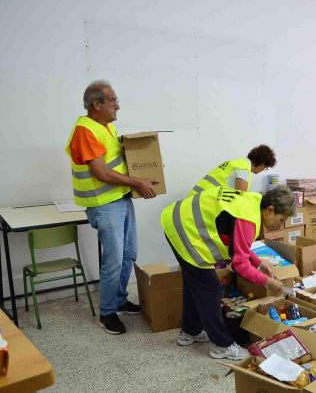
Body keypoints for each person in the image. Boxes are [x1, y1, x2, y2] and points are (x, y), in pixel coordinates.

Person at [65, 80, 158, 335]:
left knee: (129, 253)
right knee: (114, 260)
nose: (118, 106)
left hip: (121, 199)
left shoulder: (105, 128)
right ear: (97, 104)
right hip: (103, 204)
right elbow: (101, 173)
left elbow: (119, 163)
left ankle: (118, 299)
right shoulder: (86, 130)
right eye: (113, 100)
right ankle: (107, 313)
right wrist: (138, 180)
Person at [160, 185, 295, 360]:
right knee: (209, 286)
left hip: (176, 219)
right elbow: (240, 265)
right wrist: (269, 282)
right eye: (281, 219)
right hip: (183, 228)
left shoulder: (253, 203)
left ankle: (189, 331)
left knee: (195, 281)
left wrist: (259, 263)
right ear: (270, 210)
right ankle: (222, 345)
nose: (280, 225)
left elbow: (240, 245)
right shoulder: (248, 219)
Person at [191, 145, 277, 194]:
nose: (263, 170)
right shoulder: (243, 169)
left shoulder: (237, 163)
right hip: (202, 202)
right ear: (261, 163)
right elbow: (240, 197)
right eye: (265, 168)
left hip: (196, 197)